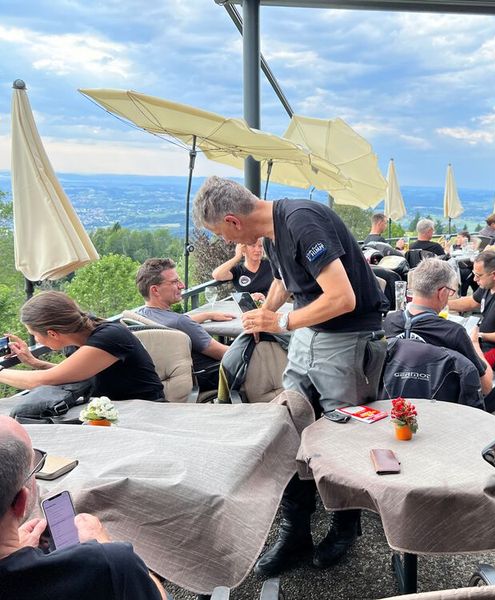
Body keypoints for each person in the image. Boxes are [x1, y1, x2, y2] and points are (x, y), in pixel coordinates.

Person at [192, 176, 386, 577]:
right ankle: (294, 528)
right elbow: (283, 280)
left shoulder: (301, 220)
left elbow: (342, 298)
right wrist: (264, 320)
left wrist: (279, 319)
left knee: (341, 432)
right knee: (291, 424)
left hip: (346, 339)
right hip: (307, 336)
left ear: (232, 221)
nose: (229, 244)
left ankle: (344, 526)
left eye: (221, 234)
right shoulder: (275, 229)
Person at [0, 416, 167, 599]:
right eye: (34, 468)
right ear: (21, 502)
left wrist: (14, 553)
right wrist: (104, 545)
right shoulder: (109, 563)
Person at [0, 292, 164, 402]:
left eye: (33, 334)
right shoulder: (77, 339)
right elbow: (75, 373)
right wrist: (35, 362)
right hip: (114, 410)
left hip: (147, 411)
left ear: (52, 333)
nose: (34, 339)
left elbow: (46, 380)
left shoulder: (110, 337)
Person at [384, 258, 493, 396]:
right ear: (442, 293)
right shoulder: (453, 332)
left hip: (393, 402)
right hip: (443, 407)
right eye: (450, 292)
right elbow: (486, 387)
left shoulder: (390, 322)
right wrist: (475, 343)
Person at [135, 258, 233, 393]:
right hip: (206, 377)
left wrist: (207, 315)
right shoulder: (180, 323)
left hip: (160, 381)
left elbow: (179, 321)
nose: (182, 286)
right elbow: (227, 354)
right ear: (155, 290)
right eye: (175, 282)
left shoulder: (140, 318)